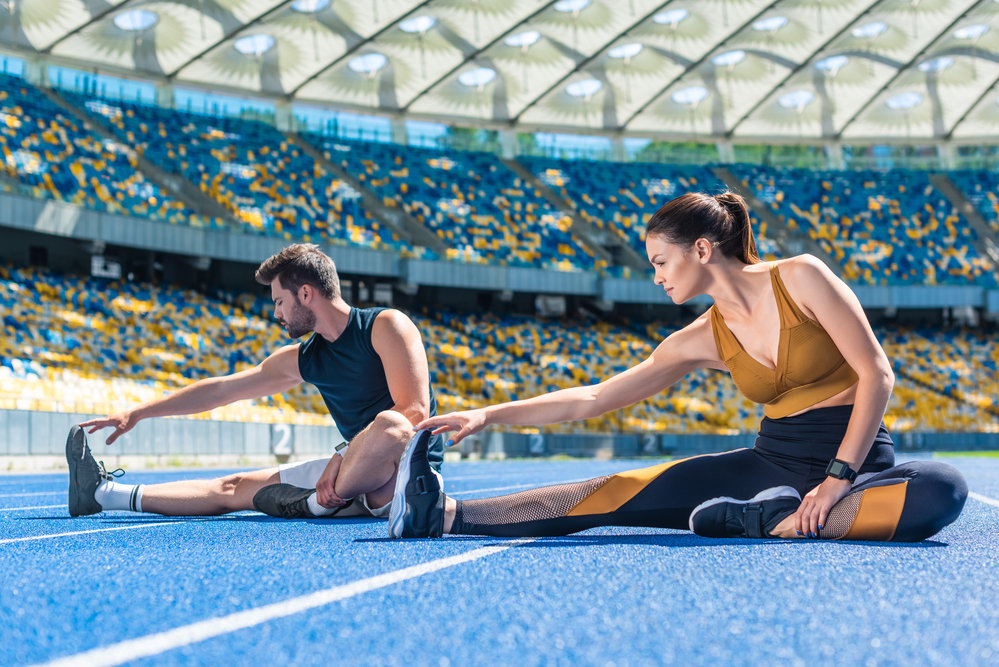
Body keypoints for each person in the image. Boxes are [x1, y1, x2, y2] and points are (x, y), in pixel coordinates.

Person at [388, 192, 968, 542]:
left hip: (860, 469)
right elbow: (595, 398)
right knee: (616, 491)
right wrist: (488, 416)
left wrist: (836, 480)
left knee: (943, 489)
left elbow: (878, 374)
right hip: (771, 467)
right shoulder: (700, 339)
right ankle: (443, 515)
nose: (658, 276)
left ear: (701, 248)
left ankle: (772, 524)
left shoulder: (801, 277)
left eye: (661, 261)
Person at [67, 243, 444, 521]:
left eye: (279, 301)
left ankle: (317, 502)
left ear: (306, 294)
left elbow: (413, 411)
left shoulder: (384, 326)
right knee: (234, 487)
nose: (276, 313)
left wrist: (342, 456)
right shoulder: (304, 358)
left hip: (402, 480)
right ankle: (103, 494)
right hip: (346, 476)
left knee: (391, 425)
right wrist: (139, 412)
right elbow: (222, 389)